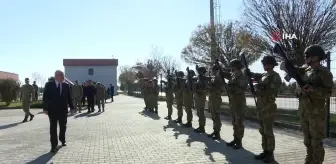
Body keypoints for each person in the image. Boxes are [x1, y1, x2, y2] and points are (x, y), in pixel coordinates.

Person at [281, 45, 333, 164]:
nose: (306, 58)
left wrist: (313, 90)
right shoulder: (306, 70)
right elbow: (291, 69)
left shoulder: (324, 72)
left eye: (308, 56)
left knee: (316, 141)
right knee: (307, 140)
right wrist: (287, 66)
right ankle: (309, 160)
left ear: (316, 57)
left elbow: (330, 91)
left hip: (316, 112)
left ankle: (316, 162)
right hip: (304, 110)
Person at [247, 56, 281, 163]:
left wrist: (258, 91)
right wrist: (249, 72)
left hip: (269, 107)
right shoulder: (264, 75)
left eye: (266, 64)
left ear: (271, 65)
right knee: (262, 131)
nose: (265, 66)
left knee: (268, 131)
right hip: (261, 106)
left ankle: (270, 154)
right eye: (264, 64)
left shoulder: (275, 76)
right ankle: (265, 151)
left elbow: (271, 91)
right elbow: (255, 75)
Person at [42, 70, 74, 153]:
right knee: (53, 128)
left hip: (63, 110)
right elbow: (45, 97)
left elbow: (69, 97)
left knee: (63, 126)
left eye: (63, 76)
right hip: (52, 110)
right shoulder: (49, 85)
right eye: (61, 76)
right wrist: (45, 108)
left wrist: (72, 107)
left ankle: (62, 140)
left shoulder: (66, 85)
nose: (63, 78)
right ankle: (54, 146)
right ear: (56, 76)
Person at [220, 59, 248, 148]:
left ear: (236, 66)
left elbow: (242, 89)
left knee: (239, 122)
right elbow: (227, 75)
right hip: (233, 102)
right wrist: (220, 70)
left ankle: (239, 141)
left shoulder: (242, 76)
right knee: (234, 122)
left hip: (239, 101)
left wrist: (232, 88)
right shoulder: (233, 75)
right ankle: (235, 138)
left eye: (232, 66)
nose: (231, 67)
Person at [193, 67, 208, 133]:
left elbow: (205, 88)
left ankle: (202, 127)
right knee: (199, 112)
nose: (198, 73)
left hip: (201, 97)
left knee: (201, 112)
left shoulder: (204, 79)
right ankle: (200, 126)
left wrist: (199, 90)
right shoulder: (199, 78)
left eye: (199, 71)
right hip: (198, 97)